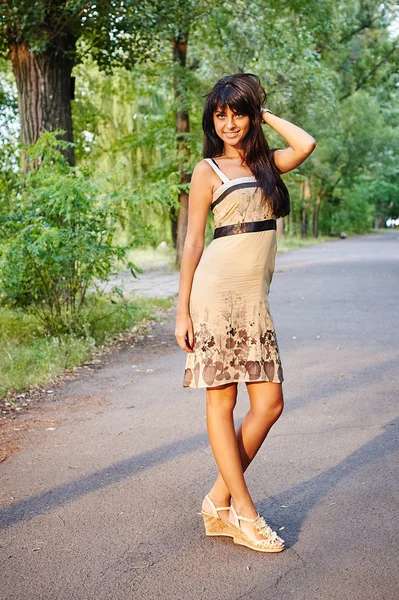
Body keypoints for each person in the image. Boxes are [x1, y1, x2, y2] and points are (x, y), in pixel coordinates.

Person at [175, 73, 316, 553]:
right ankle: (244, 513)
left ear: (251, 116)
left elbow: (307, 142)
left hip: (254, 301)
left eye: (238, 113)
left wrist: (263, 111)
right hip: (214, 295)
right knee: (222, 403)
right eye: (221, 114)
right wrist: (182, 311)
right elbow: (194, 241)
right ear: (211, 120)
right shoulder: (207, 170)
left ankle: (218, 499)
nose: (229, 123)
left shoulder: (269, 164)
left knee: (269, 405)